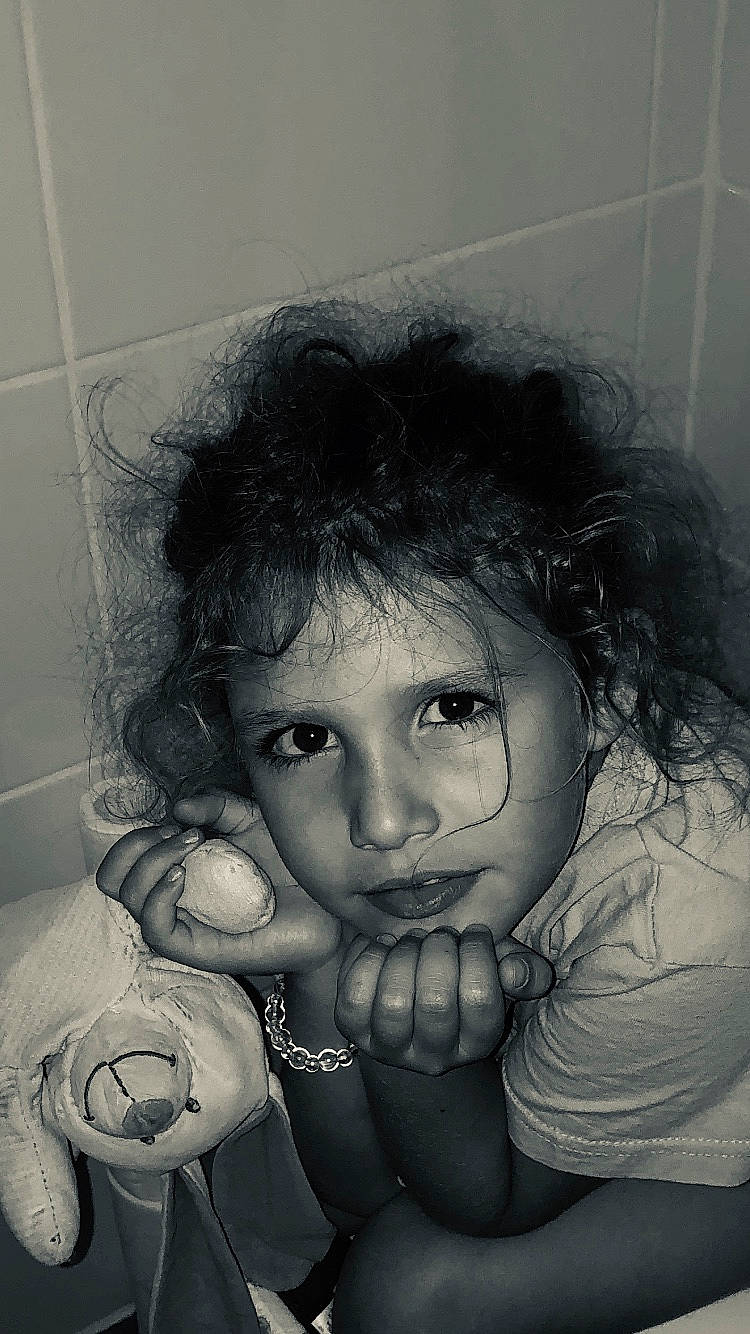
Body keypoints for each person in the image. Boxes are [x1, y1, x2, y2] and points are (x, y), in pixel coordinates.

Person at [91, 294, 750, 1333]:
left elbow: (476, 1206)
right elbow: (356, 1200)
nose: (384, 818)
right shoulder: (436, 843)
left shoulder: (693, 903)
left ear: (601, 672)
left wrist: (417, 1055)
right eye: (304, 739)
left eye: (453, 706)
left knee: (410, 1292)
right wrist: (319, 953)